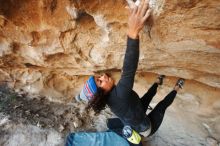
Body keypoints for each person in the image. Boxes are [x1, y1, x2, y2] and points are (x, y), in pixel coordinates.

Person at [75, 0, 185, 139]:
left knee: (149, 94)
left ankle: (158, 82)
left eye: (99, 78)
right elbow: (129, 69)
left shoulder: (111, 97)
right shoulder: (119, 96)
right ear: (102, 93)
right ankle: (177, 88)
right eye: (100, 82)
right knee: (162, 106)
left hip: (135, 109)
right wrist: (133, 31)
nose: (103, 76)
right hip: (145, 127)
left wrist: (80, 97)